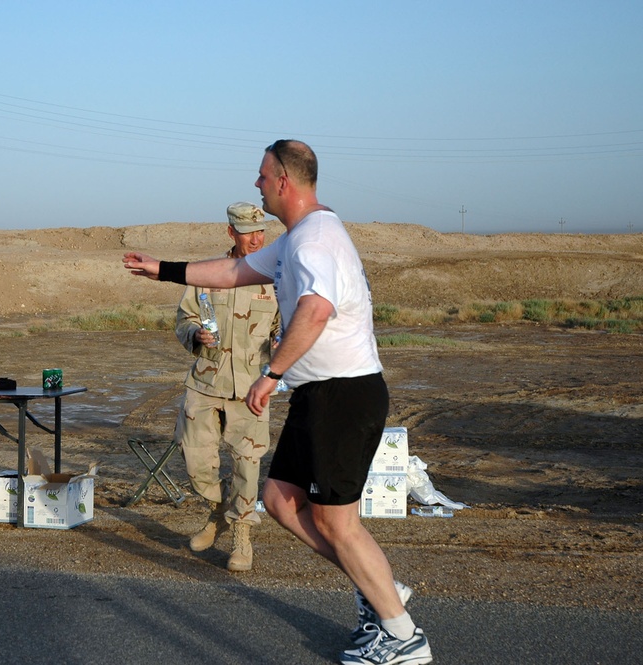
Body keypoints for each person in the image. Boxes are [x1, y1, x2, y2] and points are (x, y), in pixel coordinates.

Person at [123, 141, 432, 665]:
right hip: (321, 395)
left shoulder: (316, 240)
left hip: (344, 393)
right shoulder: (296, 240)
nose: (256, 182)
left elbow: (314, 310)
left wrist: (271, 374)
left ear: (284, 180)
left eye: (263, 174)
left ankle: (404, 639)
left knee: (338, 523)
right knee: (281, 500)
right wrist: (163, 269)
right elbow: (232, 274)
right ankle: (381, 589)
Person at [173, 201, 280, 572]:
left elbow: (287, 323)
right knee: (195, 457)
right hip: (206, 379)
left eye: (262, 231)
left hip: (251, 385)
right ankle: (217, 511)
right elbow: (183, 318)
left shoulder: (276, 276)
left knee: (247, 463)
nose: (257, 238)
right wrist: (194, 333)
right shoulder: (208, 273)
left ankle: (242, 536)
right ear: (231, 232)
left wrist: (281, 345)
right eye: (249, 232)